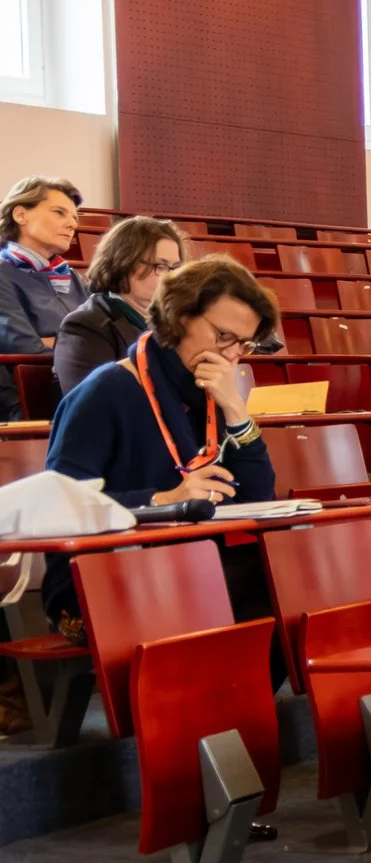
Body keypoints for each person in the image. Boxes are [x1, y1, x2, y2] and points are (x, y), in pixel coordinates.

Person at [43, 254, 280, 621]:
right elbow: (58, 509)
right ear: (180, 317)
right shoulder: (106, 391)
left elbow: (257, 495)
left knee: (284, 573)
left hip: (188, 558)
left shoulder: (212, 391)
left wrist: (235, 409)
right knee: (264, 586)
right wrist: (165, 500)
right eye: (225, 337)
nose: (232, 355)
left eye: (244, 345)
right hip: (98, 570)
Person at [54, 215, 184, 395]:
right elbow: (92, 405)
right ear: (124, 262)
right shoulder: (85, 326)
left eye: (175, 268)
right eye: (160, 266)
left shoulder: (180, 323)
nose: (170, 277)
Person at [0, 174, 90, 356]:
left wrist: (50, 341)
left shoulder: (73, 277)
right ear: (21, 215)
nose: (72, 224)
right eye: (59, 212)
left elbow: (106, 341)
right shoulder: (2, 274)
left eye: (75, 217)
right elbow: (26, 349)